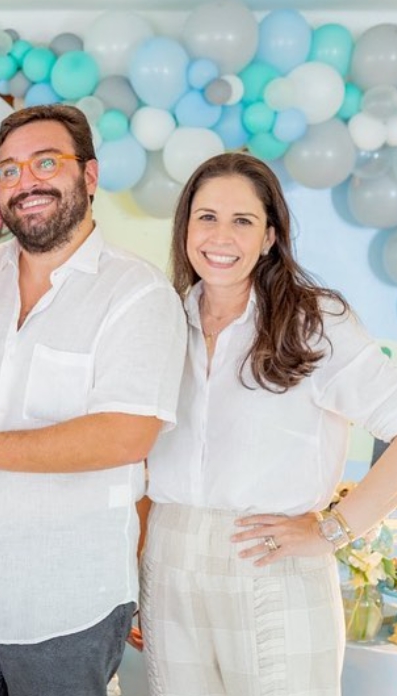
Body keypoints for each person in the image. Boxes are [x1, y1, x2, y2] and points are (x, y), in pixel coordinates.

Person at [0, 104, 187, 695]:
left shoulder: (137, 293)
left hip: (66, 606)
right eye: (8, 170)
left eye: (46, 163)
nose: (25, 181)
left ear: (89, 175)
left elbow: (127, 434)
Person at [141, 152, 397, 696]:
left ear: (269, 237)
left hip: (271, 561)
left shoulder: (314, 322)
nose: (221, 236)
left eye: (243, 220)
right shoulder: (160, 318)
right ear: (185, 227)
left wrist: (334, 529)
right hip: (169, 556)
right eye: (207, 217)